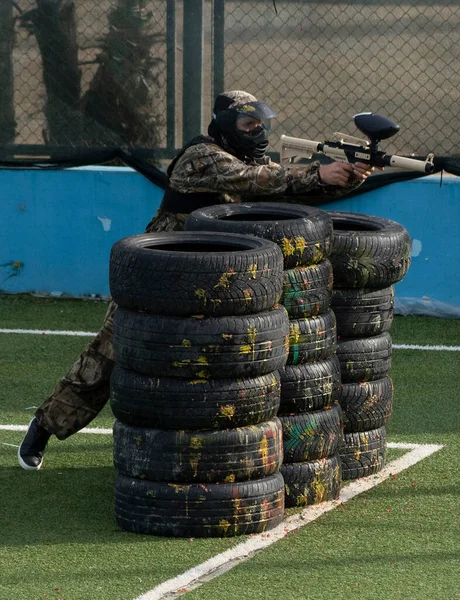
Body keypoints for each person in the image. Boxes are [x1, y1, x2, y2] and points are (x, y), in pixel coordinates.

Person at [18, 90, 374, 470]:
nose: (256, 130)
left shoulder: (250, 158)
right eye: (247, 124)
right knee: (114, 350)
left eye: (259, 124)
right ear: (224, 124)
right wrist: (319, 171)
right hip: (163, 266)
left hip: (218, 273)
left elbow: (290, 188)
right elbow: (254, 180)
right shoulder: (203, 156)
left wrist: (346, 177)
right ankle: (44, 426)